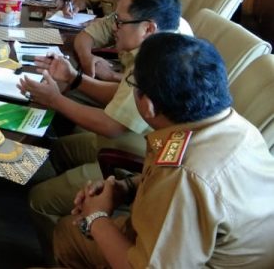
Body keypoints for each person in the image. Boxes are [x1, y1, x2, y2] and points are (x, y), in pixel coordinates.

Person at [54, 33, 274, 268]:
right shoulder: (234, 125)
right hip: (194, 246)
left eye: (132, 84)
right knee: (70, 231)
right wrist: (126, 187)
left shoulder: (184, 175)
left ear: (148, 105)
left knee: (68, 235)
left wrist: (96, 217)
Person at [19, 0, 182, 261]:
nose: (113, 26)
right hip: (139, 150)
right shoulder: (160, 48)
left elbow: (112, 126)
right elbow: (121, 95)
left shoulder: (157, 64)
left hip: (134, 152)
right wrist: (74, 78)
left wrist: (55, 99)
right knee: (58, 150)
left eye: (119, 20)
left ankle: (64, 255)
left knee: (39, 200)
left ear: (148, 28)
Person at [72, 0, 193, 81]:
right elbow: (87, 35)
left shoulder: (170, 44)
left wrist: (112, 76)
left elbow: (144, 87)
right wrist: (86, 58)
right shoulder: (124, 17)